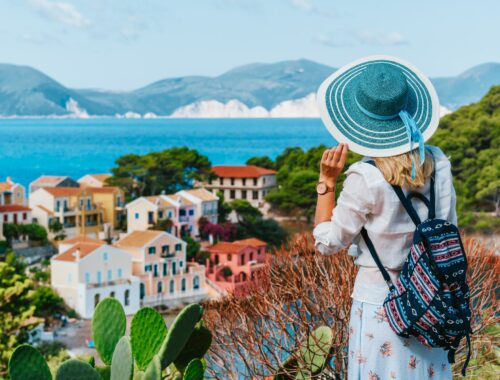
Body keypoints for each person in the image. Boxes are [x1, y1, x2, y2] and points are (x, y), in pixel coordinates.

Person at [313, 56, 455, 379]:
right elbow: (449, 232)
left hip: (381, 306)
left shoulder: (365, 178)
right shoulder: (440, 164)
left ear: (363, 122)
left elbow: (327, 243)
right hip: (433, 302)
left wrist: (327, 184)